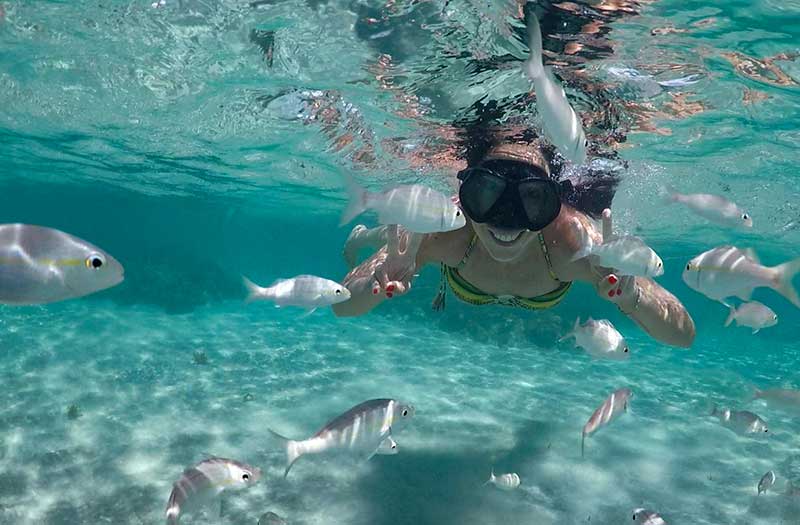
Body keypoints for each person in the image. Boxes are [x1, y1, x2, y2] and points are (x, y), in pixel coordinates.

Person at [332, 134, 696, 348]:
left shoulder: (578, 243)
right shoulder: (443, 232)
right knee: (399, 235)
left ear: (553, 202)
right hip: (445, 243)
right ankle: (365, 235)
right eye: (487, 194)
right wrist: (379, 282)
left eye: (532, 199)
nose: (505, 220)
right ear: (467, 194)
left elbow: (683, 334)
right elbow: (342, 304)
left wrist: (632, 295)